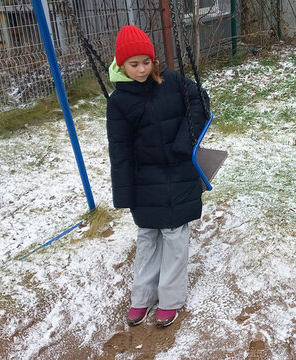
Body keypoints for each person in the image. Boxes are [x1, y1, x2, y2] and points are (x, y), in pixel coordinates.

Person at [106, 25, 208, 327]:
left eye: (146, 62)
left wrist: (184, 143)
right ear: (121, 65)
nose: (141, 70)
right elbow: (120, 149)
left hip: (178, 171)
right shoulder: (119, 102)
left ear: (154, 61)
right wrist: (123, 193)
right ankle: (142, 296)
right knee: (148, 237)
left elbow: (200, 102)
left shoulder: (173, 81)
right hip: (144, 178)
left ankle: (170, 299)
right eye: (133, 64)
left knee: (175, 236)